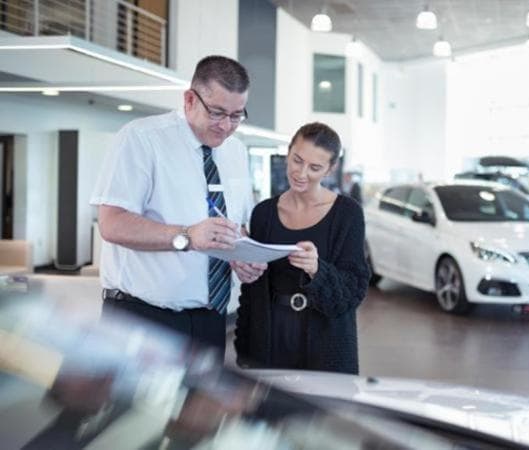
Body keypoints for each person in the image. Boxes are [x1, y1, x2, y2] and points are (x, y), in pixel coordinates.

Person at [90, 55, 268, 359]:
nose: (226, 126)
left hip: (211, 318)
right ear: (189, 100)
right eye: (217, 113)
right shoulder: (142, 138)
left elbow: (235, 224)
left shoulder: (236, 151)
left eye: (237, 115)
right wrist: (187, 236)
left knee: (204, 394)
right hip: (143, 317)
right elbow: (112, 223)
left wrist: (243, 255)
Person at [235, 122, 370, 374]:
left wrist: (317, 269)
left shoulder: (347, 214)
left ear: (330, 169)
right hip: (270, 337)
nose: (301, 173)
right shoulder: (263, 213)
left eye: (315, 168)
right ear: (288, 153)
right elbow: (252, 292)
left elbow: (354, 289)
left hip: (325, 339)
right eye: (297, 160)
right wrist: (245, 351)